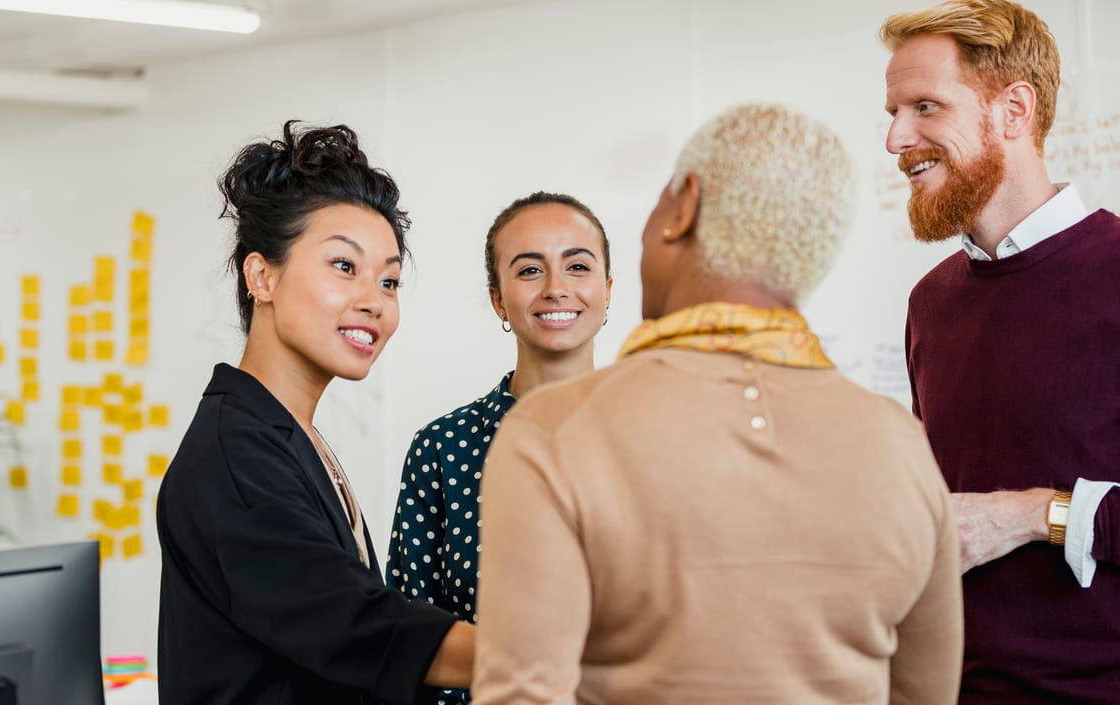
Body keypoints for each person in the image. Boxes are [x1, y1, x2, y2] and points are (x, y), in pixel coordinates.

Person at [470, 104, 963, 705]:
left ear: (683, 206)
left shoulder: (553, 430)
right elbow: (925, 694)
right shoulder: (900, 444)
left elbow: (522, 695)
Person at [156, 121, 474, 705]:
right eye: (344, 267)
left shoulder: (286, 434)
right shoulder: (235, 457)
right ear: (263, 276)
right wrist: (554, 654)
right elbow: (356, 624)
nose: (374, 300)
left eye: (390, 280)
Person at [882, 1, 1120, 701]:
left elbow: (992, 519)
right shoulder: (929, 304)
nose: (897, 138)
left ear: (1014, 109)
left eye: (925, 106)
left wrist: (1033, 514)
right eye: (893, 111)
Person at [386, 192, 612, 705]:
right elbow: (408, 639)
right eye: (529, 271)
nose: (557, 289)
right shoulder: (442, 449)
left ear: (607, 290)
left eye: (577, 266)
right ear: (498, 299)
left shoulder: (656, 436)